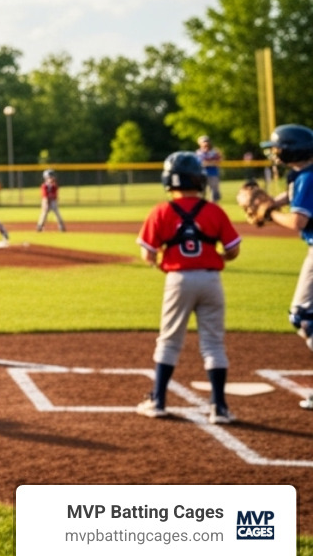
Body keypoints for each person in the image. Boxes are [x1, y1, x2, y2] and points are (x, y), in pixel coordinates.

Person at [134, 152, 240, 424]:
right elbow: (233, 249)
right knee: (213, 344)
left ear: (168, 181)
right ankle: (220, 407)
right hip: (210, 279)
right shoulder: (214, 210)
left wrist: (161, 262)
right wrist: (221, 257)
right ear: (200, 180)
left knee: (169, 341)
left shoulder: (160, 211)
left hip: (178, 279)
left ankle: (157, 400)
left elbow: (147, 254)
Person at [253, 125, 313, 410]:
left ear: (292, 149)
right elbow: (290, 196)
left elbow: (297, 222)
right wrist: (269, 207)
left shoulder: (308, 177)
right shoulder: (303, 174)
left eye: (278, 147)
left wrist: (271, 213)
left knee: (304, 317)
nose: (274, 153)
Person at [197, 134, 224, 202]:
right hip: (202, 174)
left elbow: (219, 161)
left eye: (207, 141)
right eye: (204, 142)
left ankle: (214, 206)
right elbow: (200, 163)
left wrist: (208, 163)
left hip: (213, 174)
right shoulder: (198, 153)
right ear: (200, 143)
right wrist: (211, 163)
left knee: (214, 192)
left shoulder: (214, 152)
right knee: (201, 191)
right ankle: (200, 206)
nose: (206, 143)